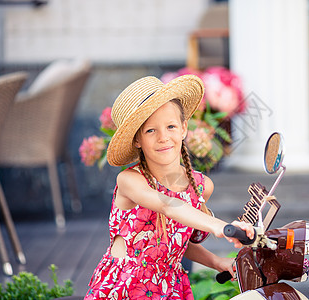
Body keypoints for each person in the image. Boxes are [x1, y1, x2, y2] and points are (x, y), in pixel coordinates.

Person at [84, 75, 254, 300]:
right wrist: (222, 227)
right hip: (126, 286)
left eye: (171, 126)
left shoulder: (201, 187)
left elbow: (176, 242)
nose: (164, 137)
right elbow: (169, 206)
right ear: (137, 140)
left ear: (184, 128)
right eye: (150, 131)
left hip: (170, 289)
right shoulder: (130, 180)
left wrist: (217, 261)